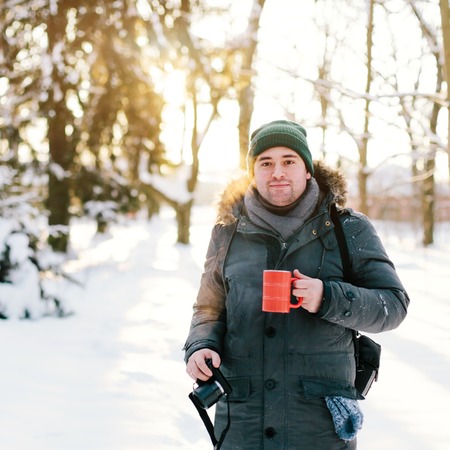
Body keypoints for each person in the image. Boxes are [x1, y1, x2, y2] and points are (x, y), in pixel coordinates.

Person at [183, 119, 409, 449]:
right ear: (253, 172)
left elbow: (393, 305)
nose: (278, 172)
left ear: (307, 169)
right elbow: (208, 308)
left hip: (318, 424)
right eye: (266, 162)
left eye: (289, 161)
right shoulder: (227, 232)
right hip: (243, 421)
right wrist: (200, 345)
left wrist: (328, 297)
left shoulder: (348, 229)